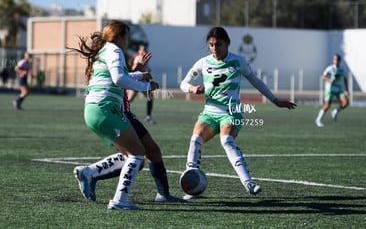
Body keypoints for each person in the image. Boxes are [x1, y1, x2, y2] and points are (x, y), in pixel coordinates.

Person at [180, 26, 296, 199]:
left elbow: (256, 81)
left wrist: (275, 100)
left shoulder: (238, 61)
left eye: (218, 44)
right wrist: (192, 88)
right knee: (195, 140)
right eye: (211, 45)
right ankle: (192, 184)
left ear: (227, 43)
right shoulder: (203, 63)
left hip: (231, 113)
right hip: (209, 113)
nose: (214, 49)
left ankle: (248, 183)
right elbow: (183, 83)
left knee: (226, 140)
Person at [68, 20, 159, 210]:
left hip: (93, 109)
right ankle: (120, 200)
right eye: (127, 36)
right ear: (118, 37)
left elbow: (116, 77)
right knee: (138, 153)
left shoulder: (105, 50)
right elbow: (119, 79)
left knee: (131, 156)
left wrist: (140, 76)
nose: (128, 40)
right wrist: (146, 86)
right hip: (105, 109)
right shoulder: (115, 50)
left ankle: (89, 172)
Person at [73, 90, 186, 203]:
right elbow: (123, 82)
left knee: (152, 151)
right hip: (116, 113)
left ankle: (163, 194)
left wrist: (142, 84)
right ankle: (91, 174)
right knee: (136, 157)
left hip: (125, 113)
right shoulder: (115, 72)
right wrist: (140, 82)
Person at [315, 54, 349, 127]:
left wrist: (347, 89)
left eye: (337, 60)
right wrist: (329, 80)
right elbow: (323, 77)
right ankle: (318, 119)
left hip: (339, 89)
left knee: (346, 102)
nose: (336, 61)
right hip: (330, 89)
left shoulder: (342, 69)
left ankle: (335, 111)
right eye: (335, 60)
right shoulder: (330, 68)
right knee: (327, 105)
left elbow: (345, 79)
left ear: (340, 61)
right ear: (333, 60)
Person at [127, 43, 156, 124]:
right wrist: (143, 73)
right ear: (139, 51)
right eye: (142, 50)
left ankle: (148, 116)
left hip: (141, 82)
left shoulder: (143, 58)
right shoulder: (138, 58)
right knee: (129, 99)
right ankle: (122, 112)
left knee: (150, 97)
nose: (144, 52)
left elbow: (146, 69)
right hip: (137, 82)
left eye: (145, 50)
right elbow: (134, 69)